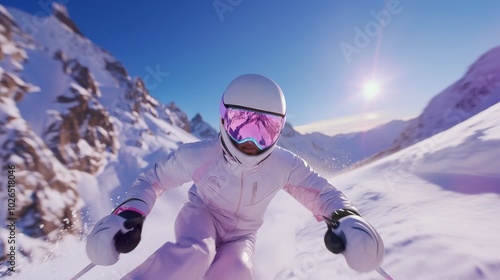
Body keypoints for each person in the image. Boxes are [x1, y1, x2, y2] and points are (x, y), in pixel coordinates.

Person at [86, 74, 385, 279]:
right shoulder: (200, 155)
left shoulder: (283, 164)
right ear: (224, 119)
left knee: (238, 271)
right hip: (201, 216)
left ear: (279, 130)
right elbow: (153, 179)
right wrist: (128, 214)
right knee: (196, 253)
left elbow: (322, 193)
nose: (251, 142)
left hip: (243, 235)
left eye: (264, 129)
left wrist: (347, 219)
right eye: (242, 124)